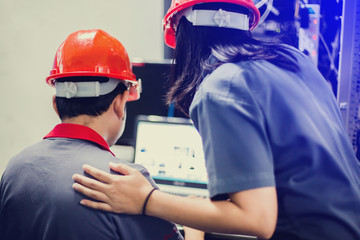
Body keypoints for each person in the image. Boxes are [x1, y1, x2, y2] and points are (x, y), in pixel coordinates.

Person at [72, 1, 360, 240]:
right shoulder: (293, 60)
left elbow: (257, 218)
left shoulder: (223, 87)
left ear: (182, 34)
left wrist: (147, 200)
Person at [0, 29, 184, 240]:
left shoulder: (15, 169)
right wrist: (196, 232)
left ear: (56, 105)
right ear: (119, 104)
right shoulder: (126, 181)